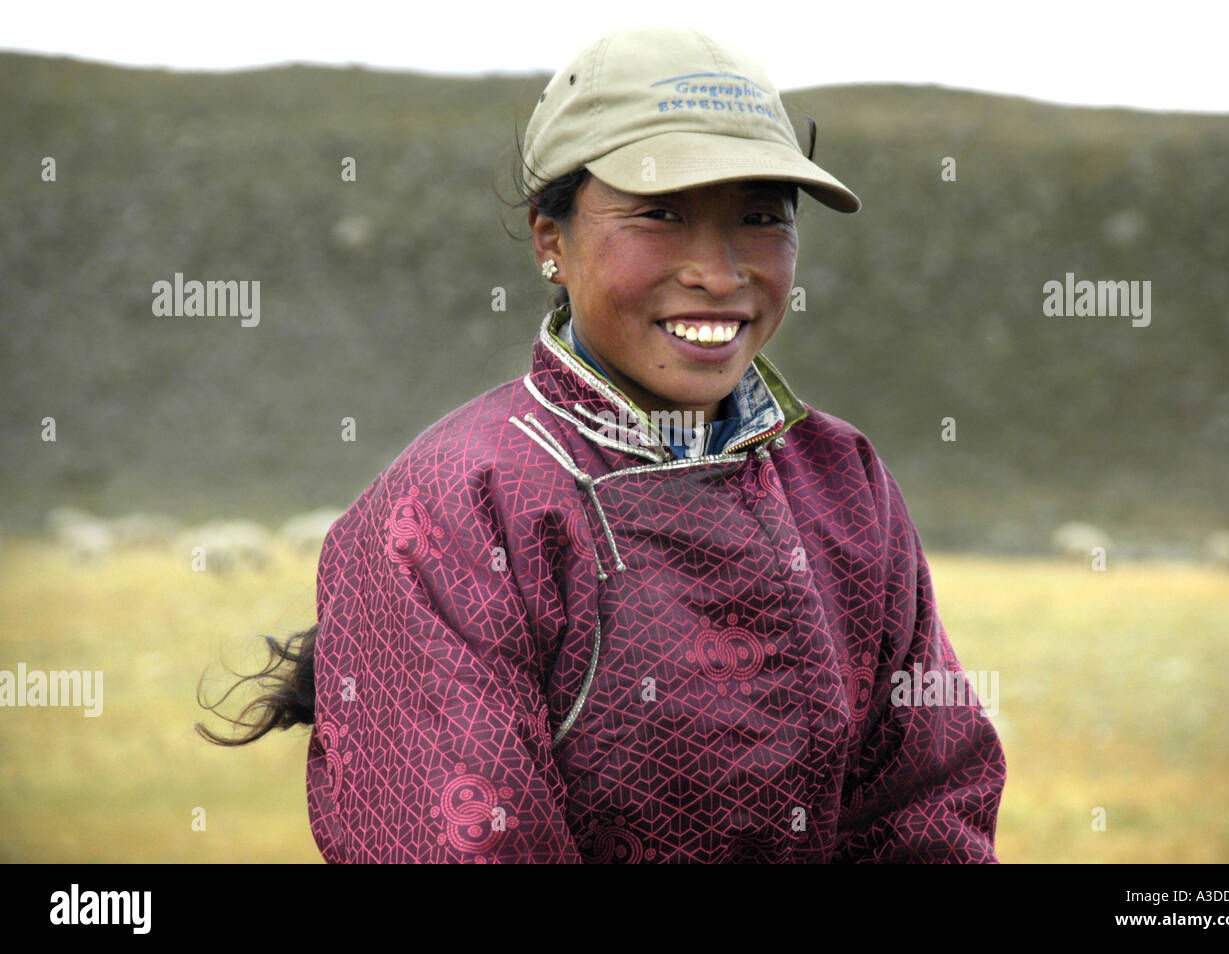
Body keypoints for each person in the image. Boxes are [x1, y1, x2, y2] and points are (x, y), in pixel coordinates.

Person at [199, 26, 1006, 863]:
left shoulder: (843, 481)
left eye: (761, 217)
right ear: (551, 237)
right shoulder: (451, 510)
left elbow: (926, 806)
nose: (721, 272)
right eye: (661, 214)